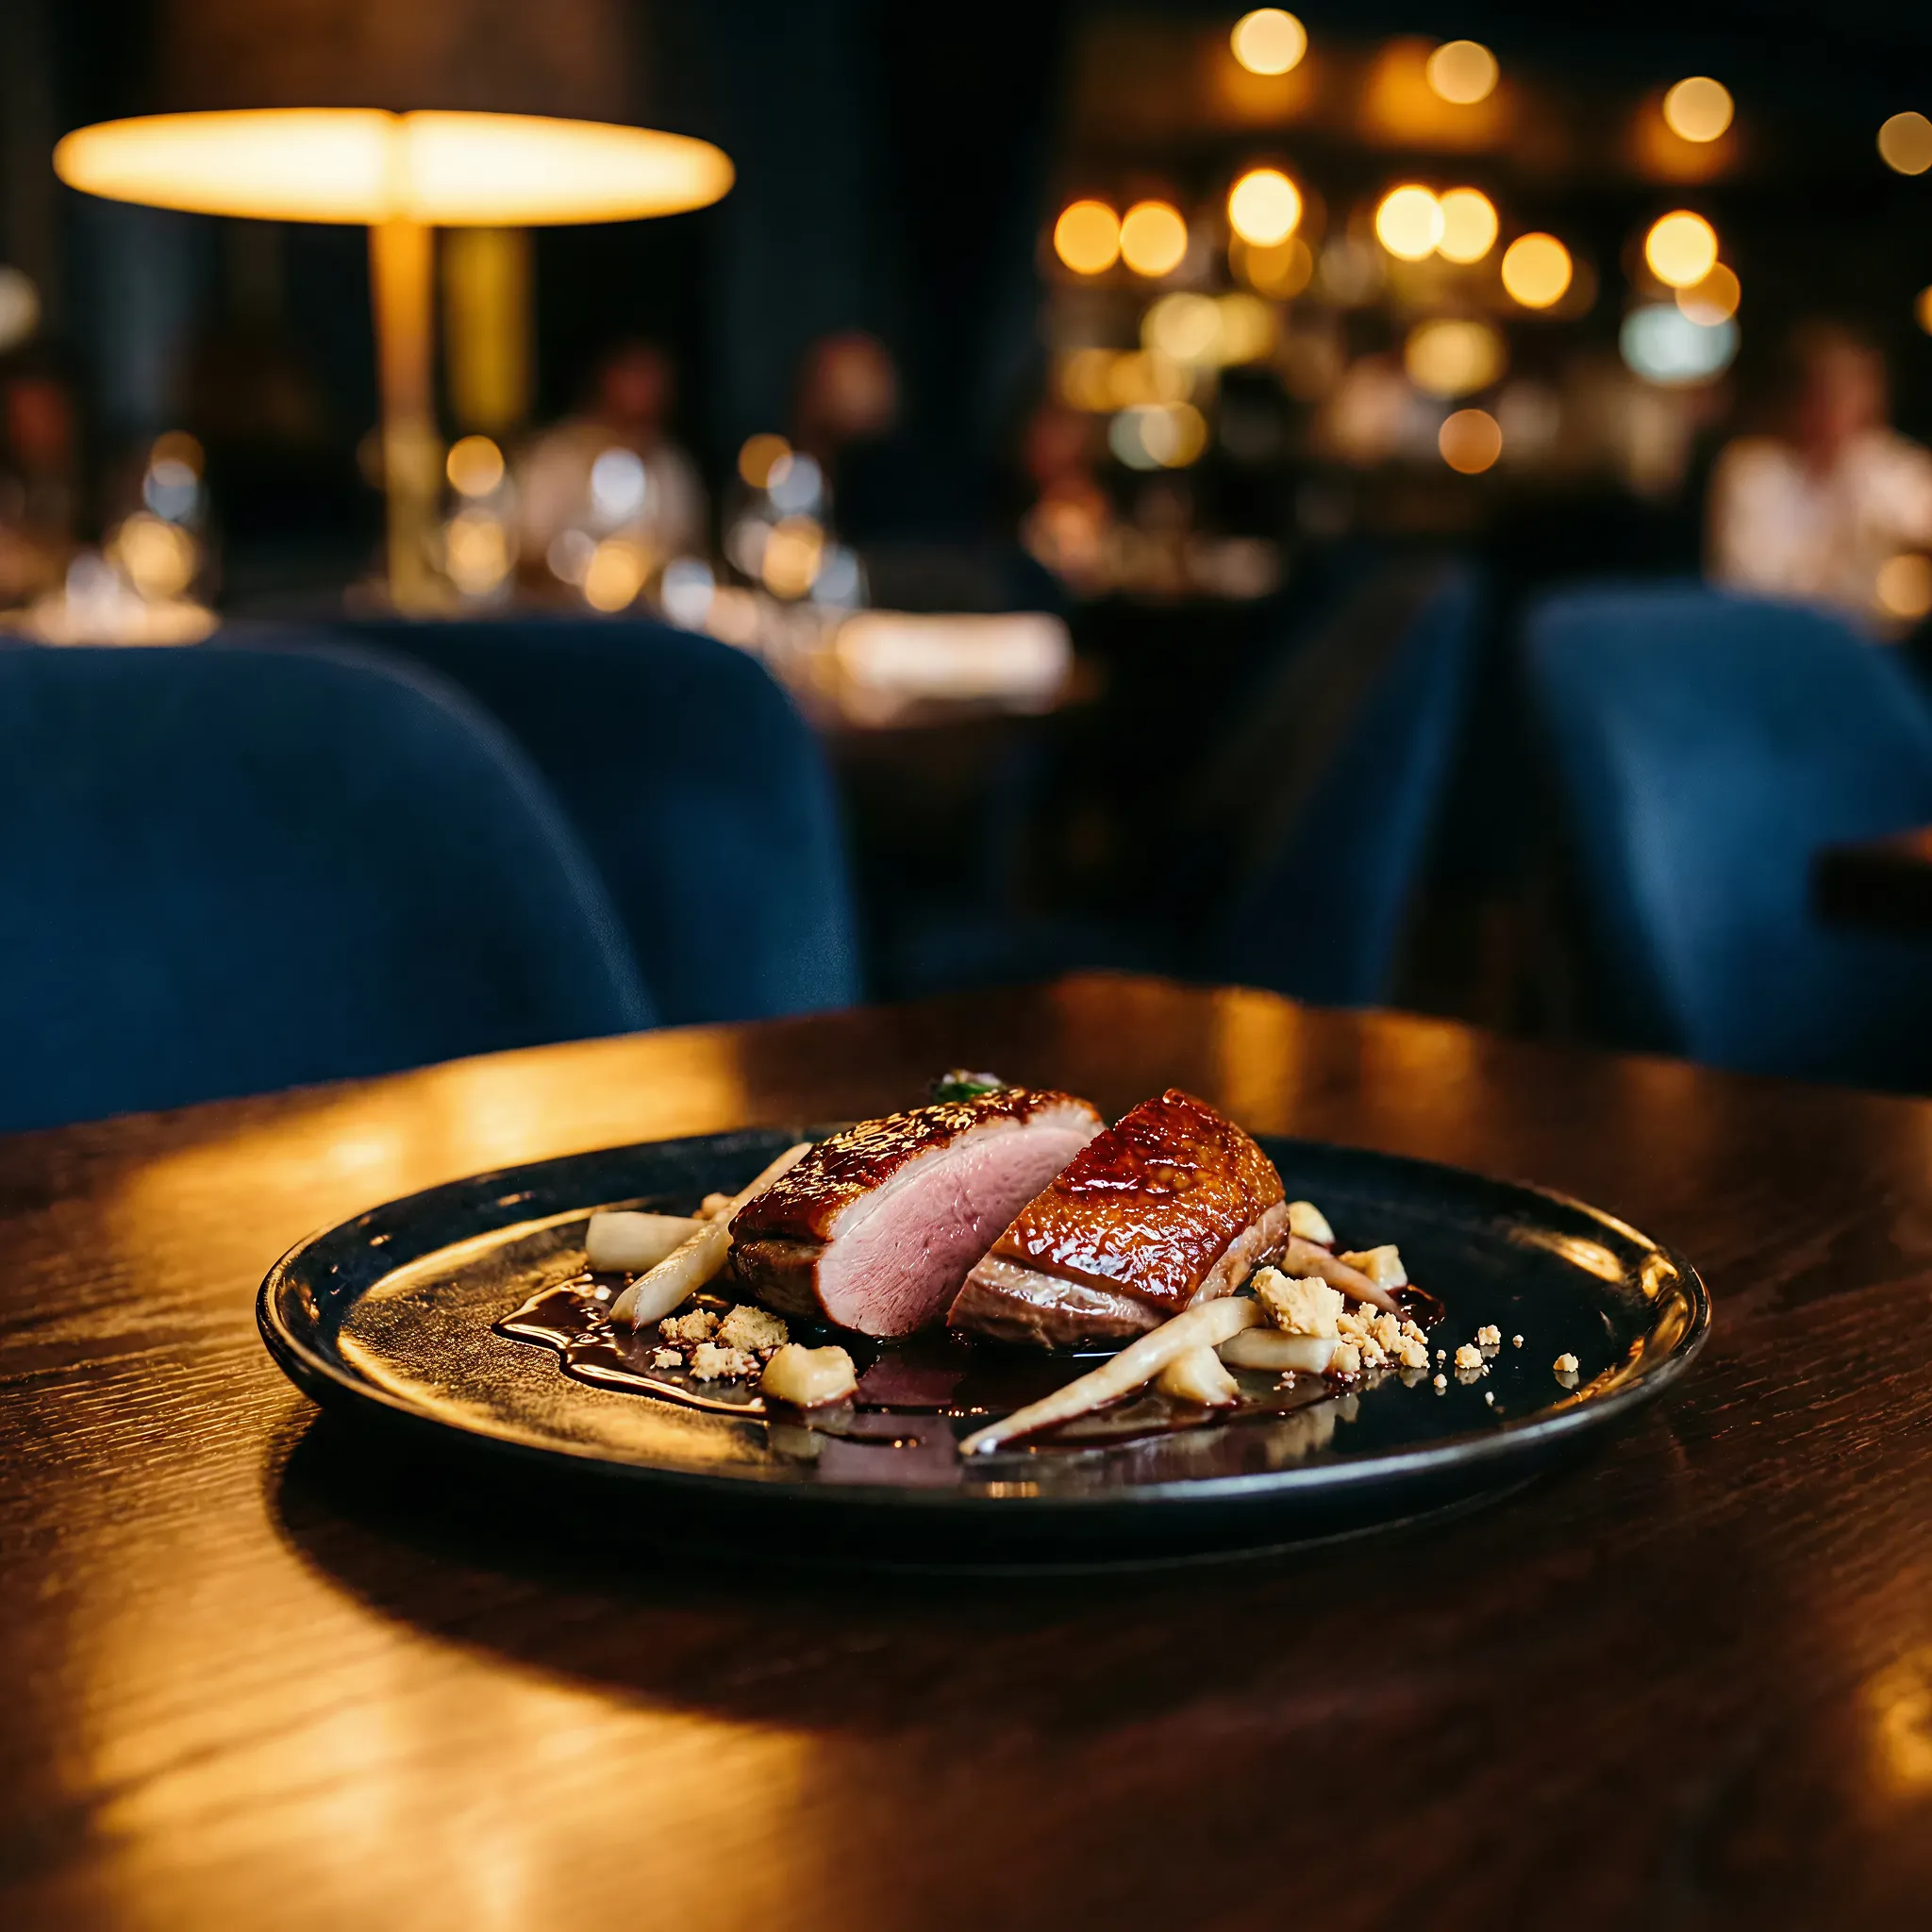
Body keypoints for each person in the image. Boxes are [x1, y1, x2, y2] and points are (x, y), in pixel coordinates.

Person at [1707, 321, 1932, 628]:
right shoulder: (1753, 472)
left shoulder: (1889, 464)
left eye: (1856, 395)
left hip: (1879, 649)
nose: (1843, 413)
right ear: (1799, 402)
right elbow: (1747, 587)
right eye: (1830, 396)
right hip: (1780, 641)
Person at [517, 340, 707, 574]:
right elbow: (528, 546)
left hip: (647, 608)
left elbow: (686, 551)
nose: (646, 390)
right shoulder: (556, 459)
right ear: (607, 381)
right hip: (559, 607)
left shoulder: (671, 466)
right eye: (635, 376)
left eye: (653, 380)